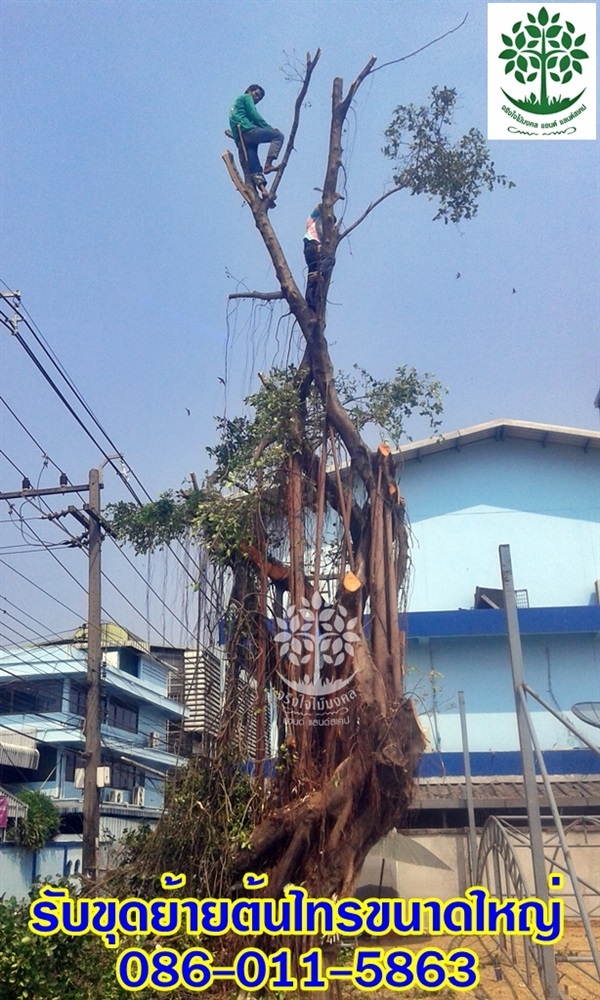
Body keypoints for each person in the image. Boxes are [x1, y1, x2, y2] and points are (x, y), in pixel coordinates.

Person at [229, 85, 284, 192]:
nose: (257, 98)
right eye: (256, 94)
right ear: (249, 91)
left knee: (254, 164)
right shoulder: (246, 97)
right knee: (278, 136)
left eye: (260, 98)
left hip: (242, 139)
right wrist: (269, 128)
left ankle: (263, 190)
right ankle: (268, 165)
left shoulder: (239, 106)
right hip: (247, 130)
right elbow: (254, 114)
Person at [303, 205, 335, 310]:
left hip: (308, 250)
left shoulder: (317, 228)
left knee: (312, 275)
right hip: (313, 245)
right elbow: (319, 208)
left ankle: (311, 306)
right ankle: (320, 272)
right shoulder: (314, 221)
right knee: (330, 259)